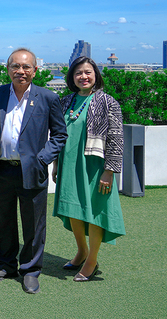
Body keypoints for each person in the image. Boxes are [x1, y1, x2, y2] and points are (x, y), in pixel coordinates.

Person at [0, 48, 67, 294]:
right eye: (15, 66)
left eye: (26, 67)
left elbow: (59, 134)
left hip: (32, 170)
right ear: (8, 69)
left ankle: (30, 270)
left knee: (33, 224)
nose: (21, 71)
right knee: (2, 221)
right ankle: (6, 264)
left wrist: (43, 159)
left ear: (35, 70)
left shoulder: (47, 97)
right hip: (2, 169)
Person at [52, 56, 125, 281]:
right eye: (78, 73)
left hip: (95, 166)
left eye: (88, 72)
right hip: (69, 163)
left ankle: (91, 260)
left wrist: (109, 171)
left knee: (94, 213)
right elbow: (57, 134)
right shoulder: (65, 101)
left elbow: (116, 139)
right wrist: (56, 164)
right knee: (73, 208)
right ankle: (82, 251)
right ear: (72, 77)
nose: (83, 77)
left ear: (96, 75)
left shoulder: (108, 102)